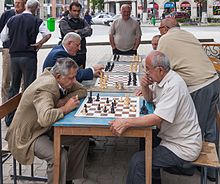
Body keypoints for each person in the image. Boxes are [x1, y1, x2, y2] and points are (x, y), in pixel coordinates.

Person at [109, 51, 202, 184]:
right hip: (172, 136)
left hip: (183, 146)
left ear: (160, 69)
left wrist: (126, 122)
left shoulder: (174, 85)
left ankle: (149, 174)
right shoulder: (163, 79)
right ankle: (153, 180)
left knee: (138, 162)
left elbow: (157, 119)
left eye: (148, 69)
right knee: (145, 138)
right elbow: (149, 98)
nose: (146, 72)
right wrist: (145, 86)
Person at [5, 57, 89, 184]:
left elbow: (82, 90)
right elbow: (45, 118)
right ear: (59, 76)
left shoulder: (58, 78)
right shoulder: (46, 87)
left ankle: (66, 179)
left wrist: (64, 100)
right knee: (59, 156)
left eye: (75, 76)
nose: (74, 81)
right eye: (71, 78)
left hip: (42, 128)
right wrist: (65, 109)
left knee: (80, 138)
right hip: (28, 135)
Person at [157, 17, 219, 181]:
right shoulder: (188, 34)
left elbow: (161, 66)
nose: (159, 32)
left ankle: (186, 166)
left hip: (199, 86)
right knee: (211, 128)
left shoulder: (165, 38)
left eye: (159, 28)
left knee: (194, 128)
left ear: (165, 28)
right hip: (214, 80)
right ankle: (212, 173)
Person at [1, 0, 51, 126]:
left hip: (14, 57)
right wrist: (39, 43)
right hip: (29, 56)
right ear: (36, 9)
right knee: (29, 87)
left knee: (13, 87)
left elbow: (4, 37)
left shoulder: (12, 20)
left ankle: (9, 119)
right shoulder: (36, 21)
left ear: (26, 6)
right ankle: (25, 119)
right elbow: (47, 34)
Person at [0, 0, 26, 103]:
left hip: (24, 52)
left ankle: (22, 106)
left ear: (25, 3)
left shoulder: (28, 15)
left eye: (20, 2)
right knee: (6, 79)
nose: (17, 4)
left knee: (24, 81)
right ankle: (5, 106)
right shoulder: (7, 14)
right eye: (16, 2)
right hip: (9, 50)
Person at [59, 2, 92, 69]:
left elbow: (89, 31)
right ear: (70, 11)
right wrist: (82, 31)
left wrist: (76, 31)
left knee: (81, 74)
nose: (76, 13)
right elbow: (69, 34)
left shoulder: (82, 21)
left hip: (81, 52)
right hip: (68, 53)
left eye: (78, 11)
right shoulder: (64, 21)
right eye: (74, 11)